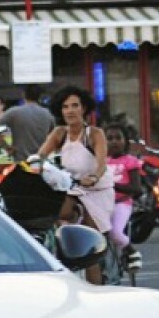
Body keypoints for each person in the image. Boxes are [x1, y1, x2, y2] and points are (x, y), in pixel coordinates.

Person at [37, 85, 115, 284]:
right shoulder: (59, 133)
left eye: (75, 106)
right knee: (57, 215)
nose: (70, 111)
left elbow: (101, 164)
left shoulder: (94, 134)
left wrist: (94, 177)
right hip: (73, 187)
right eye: (65, 107)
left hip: (97, 189)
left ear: (84, 108)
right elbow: (39, 157)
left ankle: (95, 288)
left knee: (87, 242)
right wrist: (31, 168)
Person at [104, 123, 144, 272]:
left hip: (122, 204)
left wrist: (113, 186)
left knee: (115, 233)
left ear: (125, 141)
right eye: (109, 138)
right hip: (103, 204)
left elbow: (136, 188)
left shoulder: (130, 161)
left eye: (118, 138)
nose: (114, 141)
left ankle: (130, 251)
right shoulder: (102, 162)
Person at [0, 84, 53, 160]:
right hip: (41, 161)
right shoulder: (48, 114)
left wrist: (6, 147)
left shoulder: (14, 112)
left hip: (20, 161)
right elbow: (54, 136)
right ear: (40, 96)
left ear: (24, 95)